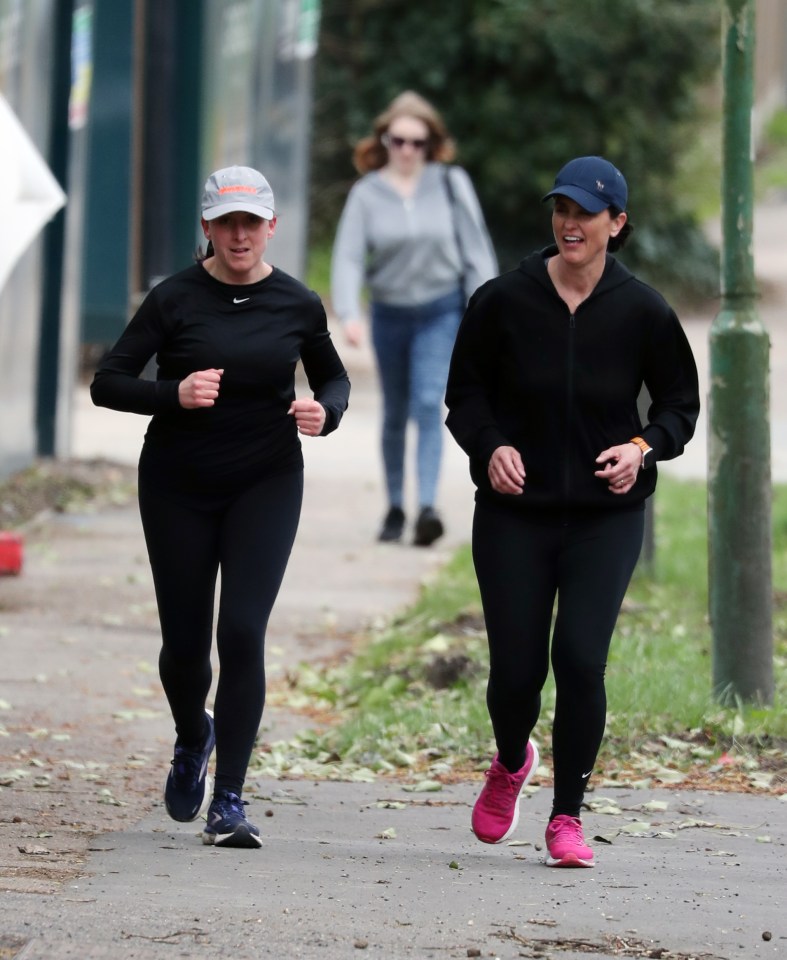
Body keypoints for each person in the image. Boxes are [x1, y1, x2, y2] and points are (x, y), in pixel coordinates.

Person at [445, 156, 699, 868]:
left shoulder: (643, 309)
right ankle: (508, 760)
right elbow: (464, 395)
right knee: (514, 675)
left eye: (585, 213)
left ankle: (566, 817)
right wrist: (490, 445)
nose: (569, 223)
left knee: (580, 661)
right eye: (560, 208)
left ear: (616, 224)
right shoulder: (502, 300)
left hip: (603, 516)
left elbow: (680, 406)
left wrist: (642, 447)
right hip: (513, 514)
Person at [91, 166, 350, 849]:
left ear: (272, 227)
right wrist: (171, 393)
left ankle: (229, 800)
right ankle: (192, 734)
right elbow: (108, 382)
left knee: (241, 631)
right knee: (185, 647)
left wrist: (328, 411)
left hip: (264, 481)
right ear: (206, 228)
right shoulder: (172, 299)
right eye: (226, 222)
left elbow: (332, 375)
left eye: (251, 222)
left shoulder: (298, 303)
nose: (239, 235)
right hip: (177, 483)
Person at [331, 90, 497, 546]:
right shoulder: (367, 194)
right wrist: (349, 312)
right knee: (395, 413)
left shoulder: (450, 183)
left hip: (440, 310)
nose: (406, 151)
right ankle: (395, 507)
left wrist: (487, 310)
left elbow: (476, 249)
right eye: (397, 140)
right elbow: (347, 258)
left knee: (428, 403)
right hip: (389, 313)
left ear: (431, 144)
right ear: (384, 140)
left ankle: (426, 506)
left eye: (416, 142)